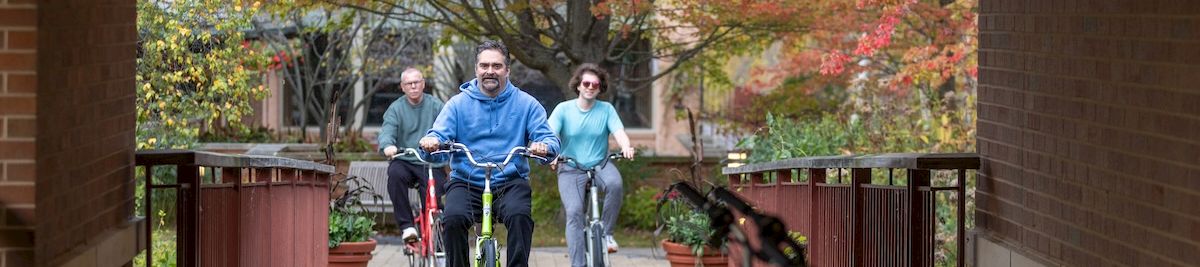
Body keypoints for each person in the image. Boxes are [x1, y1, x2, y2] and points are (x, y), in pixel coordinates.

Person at [419, 40, 559, 267]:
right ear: (476, 69)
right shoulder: (457, 104)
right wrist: (432, 143)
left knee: (520, 217)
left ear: (507, 70)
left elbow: (550, 140)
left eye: (496, 66)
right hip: (466, 180)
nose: (490, 71)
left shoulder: (526, 104)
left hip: (510, 180)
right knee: (452, 219)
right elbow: (438, 138)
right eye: (484, 66)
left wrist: (543, 146)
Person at [547, 63, 635, 266]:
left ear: (600, 87)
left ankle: (607, 233)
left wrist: (626, 146)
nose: (590, 87)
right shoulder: (563, 109)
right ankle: (578, 264)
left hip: (600, 164)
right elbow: (550, 134)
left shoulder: (606, 110)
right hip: (570, 167)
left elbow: (619, 132)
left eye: (595, 84)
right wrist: (552, 154)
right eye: (586, 83)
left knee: (615, 184)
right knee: (575, 212)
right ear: (578, 85)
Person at [378, 67, 448, 243]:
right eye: (409, 83)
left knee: (435, 201)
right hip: (406, 160)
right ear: (402, 87)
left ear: (423, 84)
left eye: (417, 82)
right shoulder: (396, 109)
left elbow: (448, 127)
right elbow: (387, 131)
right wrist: (388, 146)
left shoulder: (436, 105)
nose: (414, 86)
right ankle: (407, 227)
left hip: (431, 162)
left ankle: (436, 231)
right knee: (395, 174)